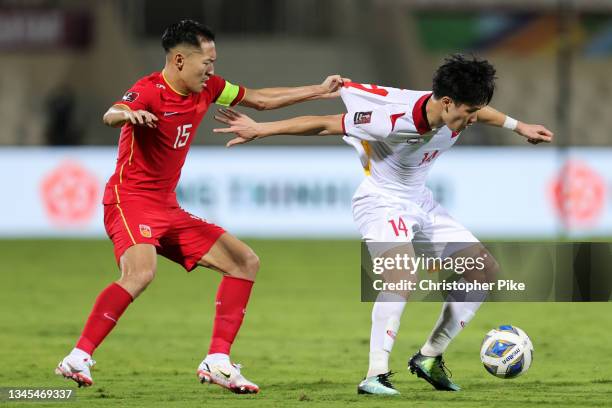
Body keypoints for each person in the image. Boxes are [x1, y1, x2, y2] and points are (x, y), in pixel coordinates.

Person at [212, 54, 553, 394]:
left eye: (474, 111)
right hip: (381, 202)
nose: (472, 119)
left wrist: (519, 126)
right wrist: (260, 129)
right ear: (447, 103)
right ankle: (375, 374)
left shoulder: (454, 110)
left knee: (483, 270)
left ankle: (429, 358)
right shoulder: (392, 121)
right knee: (402, 276)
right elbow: (326, 123)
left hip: (421, 201)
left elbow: (482, 111)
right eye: (467, 113)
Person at [54, 19, 348, 395]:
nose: (211, 69)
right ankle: (78, 356)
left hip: (167, 208)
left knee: (244, 262)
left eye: (213, 62)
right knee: (141, 273)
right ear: (179, 61)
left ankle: (217, 361)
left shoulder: (208, 89)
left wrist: (318, 91)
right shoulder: (148, 91)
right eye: (206, 62)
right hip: (130, 202)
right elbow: (111, 113)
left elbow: (259, 99)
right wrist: (130, 115)